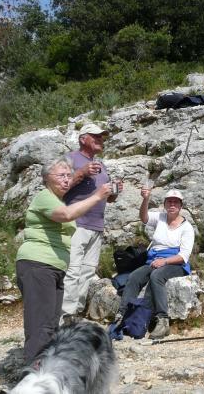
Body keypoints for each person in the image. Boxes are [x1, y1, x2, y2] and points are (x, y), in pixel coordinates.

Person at [16, 157, 112, 364]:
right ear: (46, 178)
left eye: (69, 176)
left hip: (54, 268)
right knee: (40, 325)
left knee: (51, 324)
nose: (66, 180)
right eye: (61, 176)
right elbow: (66, 214)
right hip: (37, 265)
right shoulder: (44, 197)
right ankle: (32, 374)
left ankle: (45, 370)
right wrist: (97, 196)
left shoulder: (56, 199)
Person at [61, 123, 122, 323]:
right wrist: (81, 173)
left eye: (102, 137)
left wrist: (115, 191)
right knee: (72, 270)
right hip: (76, 223)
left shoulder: (101, 165)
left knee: (87, 272)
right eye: (95, 136)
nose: (100, 140)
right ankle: (64, 315)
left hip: (96, 225)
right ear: (82, 139)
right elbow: (58, 188)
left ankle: (75, 313)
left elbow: (108, 199)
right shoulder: (70, 159)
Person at [115, 189, 195, 340]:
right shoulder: (160, 218)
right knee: (134, 277)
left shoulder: (187, 228)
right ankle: (122, 314)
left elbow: (183, 256)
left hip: (175, 262)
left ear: (181, 206)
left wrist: (164, 261)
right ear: (164, 204)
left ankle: (162, 320)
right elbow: (144, 218)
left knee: (157, 276)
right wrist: (146, 199)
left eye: (176, 202)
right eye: (169, 201)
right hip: (154, 260)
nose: (172, 204)